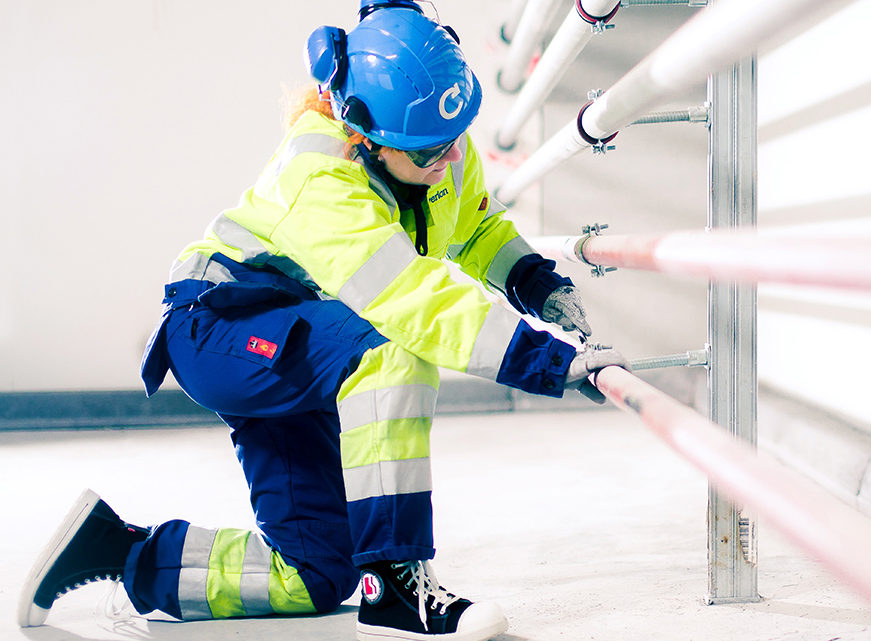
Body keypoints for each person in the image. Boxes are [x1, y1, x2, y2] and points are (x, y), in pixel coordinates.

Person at [16, 2, 629, 640]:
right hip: (222, 325)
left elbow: (471, 222)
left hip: (301, 341)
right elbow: (416, 301)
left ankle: (119, 552)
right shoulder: (324, 179)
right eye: (430, 153)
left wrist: (532, 279)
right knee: (390, 352)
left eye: (455, 140)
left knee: (317, 573)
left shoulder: (428, 140)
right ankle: (395, 582)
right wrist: (550, 362)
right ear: (366, 134)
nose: (450, 159)